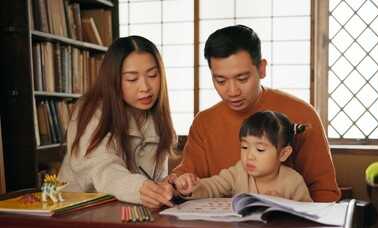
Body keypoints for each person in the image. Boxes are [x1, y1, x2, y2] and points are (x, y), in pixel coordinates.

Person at [171, 25, 341, 202]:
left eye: (242, 79)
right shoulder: (204, 122)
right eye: (221, 81)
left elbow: (324, 191)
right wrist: (178, 182)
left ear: (262, 69)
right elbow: (188, 177)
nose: (232, 91)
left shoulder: (301, 113)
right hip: (221, 224)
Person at [58, 35, 178, 208]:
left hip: (129, 212)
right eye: (132, 79)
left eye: (152, 75)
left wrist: (165, 187)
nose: (145, 87)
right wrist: (140, 188)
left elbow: (156, 180)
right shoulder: (92, 108)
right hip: (78, 211)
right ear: (113, 79)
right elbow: (102, 168)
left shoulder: (157, 117)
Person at [174, 111, 313, 202]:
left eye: (259, 149)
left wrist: (284, 205)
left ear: (283, 153)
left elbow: (310, 214)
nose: (249, 156)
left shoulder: (293, 181)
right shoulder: (238, 172)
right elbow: (212, 186)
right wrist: (190, 188)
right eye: (244, 147)